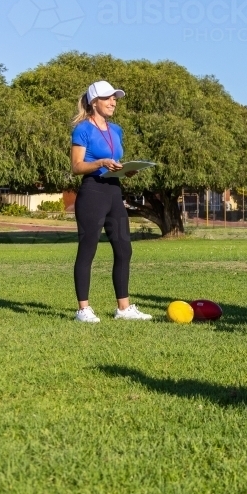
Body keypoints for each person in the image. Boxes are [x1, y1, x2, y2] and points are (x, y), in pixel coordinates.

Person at [69, 80, 151, 323]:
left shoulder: (116, 130)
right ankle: (83, 310)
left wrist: (126, 170)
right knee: (88, 251)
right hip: (92, 193)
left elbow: (115, 162)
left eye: (115, 98)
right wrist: (101, 162)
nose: (114, 102)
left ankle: (123, 309)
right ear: (95, 102)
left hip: (114, 192)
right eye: (108, 98)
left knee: (124, 249)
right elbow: (76, 167)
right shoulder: (82, 129)